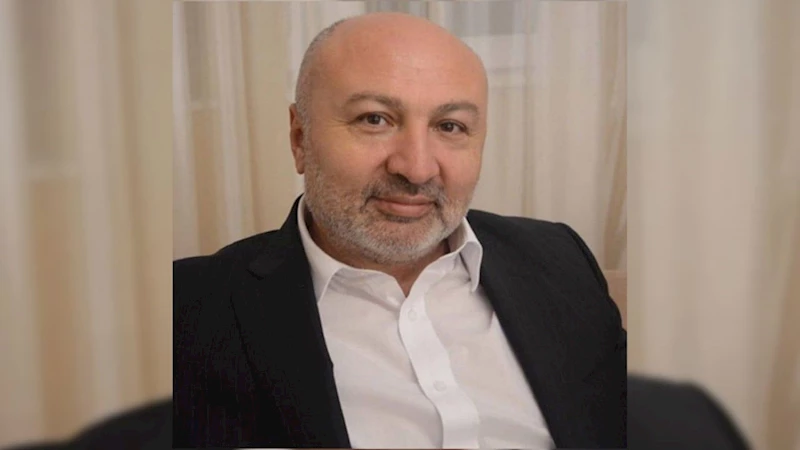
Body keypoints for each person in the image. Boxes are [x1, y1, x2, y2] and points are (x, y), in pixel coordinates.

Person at [173, 12, 625, 449]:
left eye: (450, 126)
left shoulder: (560, 258)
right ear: (299, 138)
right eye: (375, 119)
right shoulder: (190, 311)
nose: (416, 168)